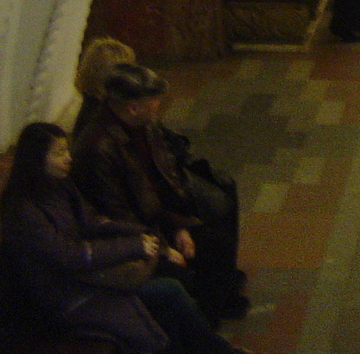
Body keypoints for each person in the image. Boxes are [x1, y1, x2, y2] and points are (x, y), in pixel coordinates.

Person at [0, 122, 251, 354]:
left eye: (66, 151)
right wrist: (131, 245)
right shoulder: (24, 210)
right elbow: (69, 256)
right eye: (58, 153)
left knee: (171, 289)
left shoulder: (58, 185)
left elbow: (93, 221)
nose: (68, 159)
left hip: (88, 279)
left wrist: (143, 235)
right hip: (69, 294)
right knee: (166, 293)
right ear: (35, 159)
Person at [71, 65, 249, 324]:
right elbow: (118, 214)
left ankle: (215, 310)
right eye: (153, 100)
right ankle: (203, 326)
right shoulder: (98, 149)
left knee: (216, 241)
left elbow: (160, 180)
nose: (158, 104)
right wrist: (164, 246)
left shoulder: (143, 124)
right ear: (132, 107)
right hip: (129, 237)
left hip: (156, 219)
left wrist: (179, 226)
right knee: (182, 272)